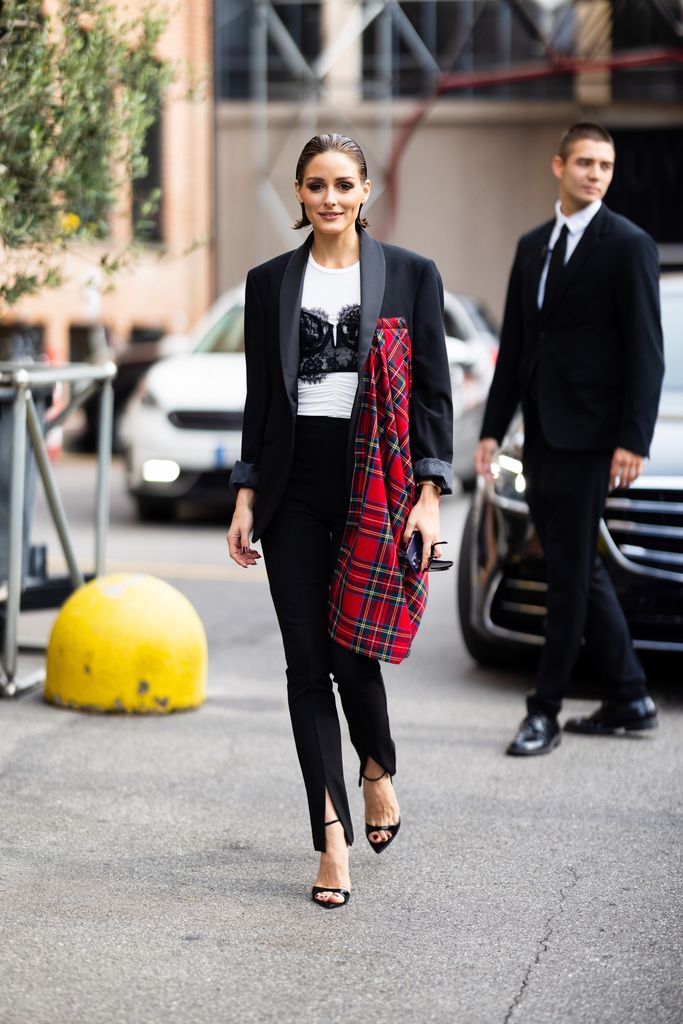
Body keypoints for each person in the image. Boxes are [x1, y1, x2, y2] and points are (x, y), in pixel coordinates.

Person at [227, 134, 453, 906]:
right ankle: (330, 839)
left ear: (365, 194)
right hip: (293, 484)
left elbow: (430, 395)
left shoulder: (411, 276)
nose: (330, 197)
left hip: (374, 481)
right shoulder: (267, 284)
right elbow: (260, 398)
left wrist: (428, 495)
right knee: (303, 665)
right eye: (316, 185)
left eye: (344, 184)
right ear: (298, 192)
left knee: (353, 652)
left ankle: (378, 767)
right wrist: (246, 494)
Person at [475, 122, 664, 757]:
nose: (595, 174)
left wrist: (632, 438)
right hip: (542, 438)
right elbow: (517, 351)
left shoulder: (629, 245)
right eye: (584, 162)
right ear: (558, 166)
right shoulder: (533, 246)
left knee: (566, 576)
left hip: (593, 440)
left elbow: (647, 353)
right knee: (577, 568)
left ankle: (544, 711)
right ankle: (632, 697)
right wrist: (492, 430)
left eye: (605, 166)